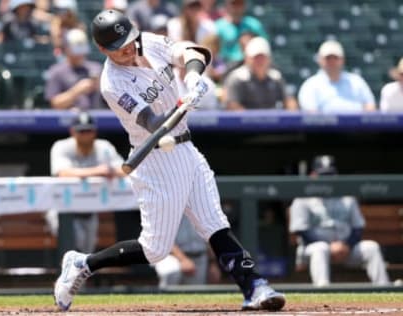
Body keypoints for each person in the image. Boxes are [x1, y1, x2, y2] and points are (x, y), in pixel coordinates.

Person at [54, 9, 285, 312]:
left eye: (128, 41)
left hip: (187, 149)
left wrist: (192, 75)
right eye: (116, 47)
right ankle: (83, 263)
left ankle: (254, 285)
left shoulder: (148, 42)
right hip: (156, 161)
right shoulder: (112, 83)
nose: (125, 49)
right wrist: (183, 103)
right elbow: (153, 122)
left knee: (215, 224)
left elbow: (190, 51)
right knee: (154, 250)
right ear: (101, 50)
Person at [289, 155, 390, 287]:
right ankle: (323, 290)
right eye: (323, 175)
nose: (327, 179)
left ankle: (384, 287)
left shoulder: (347, 197)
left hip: (346, 249)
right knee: (321, 248)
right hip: (314, 250)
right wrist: (330, 246)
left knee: (371, 247)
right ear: (313, 175)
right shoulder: (302, 199)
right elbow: (302, 232)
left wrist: (347, 245)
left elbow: (357, 227)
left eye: (330, 175)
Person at [48, 112, 126, 253]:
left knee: (86, 256)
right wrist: (99, 171)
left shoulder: (104, 147)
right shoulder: (61, 146)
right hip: (64, 210)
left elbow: (125, 169)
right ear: (73, 131)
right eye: (81, 131)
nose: (85, 134)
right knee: (74, 247)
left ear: (94, 131)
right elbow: (63, 173)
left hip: (89, 211)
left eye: (88, 130)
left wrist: (111, 171)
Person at [298, 40, 376, 113]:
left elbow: (370, 107)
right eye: (328, 58)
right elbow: (312, 115)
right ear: (320, 60)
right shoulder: (310, 85)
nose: (332, 62)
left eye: (335, 58)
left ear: (342, 60)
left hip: (359, 127)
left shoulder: (356, 81)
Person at [223, 37, 298, 110]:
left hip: (272, 121)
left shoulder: (276, 77)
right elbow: (233, 106)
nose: (259, 61)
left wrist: (292, 112)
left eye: (262, 57)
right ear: (247, 59)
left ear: (269, 59)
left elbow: (289, 101)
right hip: (244, 122)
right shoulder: (237, 78)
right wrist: (256, 120)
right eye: (256, 57)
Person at [154, 216, 221, 288]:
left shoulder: (202, 208)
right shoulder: (168, 208)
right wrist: (183, 259)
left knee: (195, 294)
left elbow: (209, 236)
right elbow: (163, 239)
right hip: (171, 256)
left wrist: (212, 263)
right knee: (171, 272)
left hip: (199, 257)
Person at [45, 28, 102, 110]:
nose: (80, 54)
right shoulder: (57, 71)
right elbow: (55, 104)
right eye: (76, 49)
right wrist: (76, 91)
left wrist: (100, 87)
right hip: (68, 119)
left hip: (98, 118)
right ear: (66, 49)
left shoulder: (96, 68)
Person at [215, 0, 267, 64]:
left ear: (244, 6)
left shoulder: (254, 25)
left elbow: (264, 47)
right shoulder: (218, 27)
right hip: (225, 65)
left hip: (249, 64)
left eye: (240, 4)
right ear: (227, 5)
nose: (237, 8)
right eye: (234, 4)